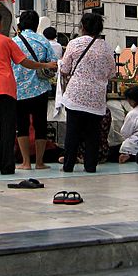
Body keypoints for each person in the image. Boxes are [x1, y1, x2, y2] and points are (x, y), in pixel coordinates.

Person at [0, 10, 57, 175]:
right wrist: (44, 66)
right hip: (5, 87)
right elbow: (24, 62)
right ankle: (7, 166)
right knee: (7, 128)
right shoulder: (6, 41)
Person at [58, 12, 116, 173]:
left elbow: (64, 68)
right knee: (93, 134)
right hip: (97, 97)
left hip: (76, 95)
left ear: (82, 27)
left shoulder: (74, 44)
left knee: (72, 133)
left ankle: (68, 165)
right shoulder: (106, 47)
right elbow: (112, 72)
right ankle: (90, 165)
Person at [12, 10, 57, 170]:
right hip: (40, 89)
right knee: (40, 125)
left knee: (22, 125)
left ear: (20, 24)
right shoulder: (43, 41)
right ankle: (39, 162)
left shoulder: (14, 41)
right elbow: (53, 62)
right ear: (37, 24)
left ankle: (25, 162)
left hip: (19, 90)